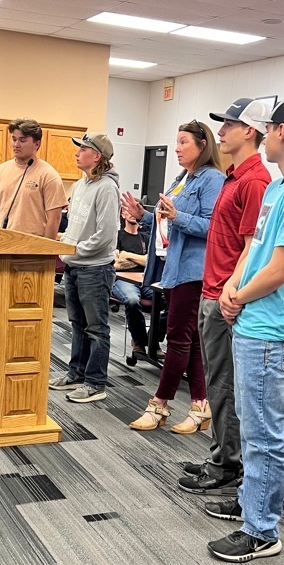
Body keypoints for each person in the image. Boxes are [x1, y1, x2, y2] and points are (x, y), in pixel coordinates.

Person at [206, 99, 284, 563]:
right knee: (254, 423)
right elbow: (253, 250)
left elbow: (280, 270)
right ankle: (249, 503)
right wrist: (232, 285)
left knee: (264, 434)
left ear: (280, 131)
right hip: (252, 319)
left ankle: (261, 530)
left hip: (270, 326)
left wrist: (237, 297)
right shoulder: (280, 187)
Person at [176, 98, 272, 495]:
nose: (221, 132)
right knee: (218, 383)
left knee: (225, 386)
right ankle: (221, 455)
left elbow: (251, 247)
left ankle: (226, 464)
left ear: (250, 131)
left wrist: (228, 292)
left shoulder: (255, 181)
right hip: (212, 289)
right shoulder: (235, 177)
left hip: (223, 297)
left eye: (229, 125)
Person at [123, 121, 225, 434]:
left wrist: (177, 216)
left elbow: (212, 227)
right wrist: (144, 216)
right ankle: (200, 406)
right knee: (190, 341)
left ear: (203, 145)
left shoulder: (212, 179)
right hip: (175, 267)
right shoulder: (182, 178)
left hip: (194, 271)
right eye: (176, 142)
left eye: (183, 142)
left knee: (178, 340)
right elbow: (168, 222)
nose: (177, 149)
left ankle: (159, 405)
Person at [49, 133, 120, 403]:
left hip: (94, 269)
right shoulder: (80, 186)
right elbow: (74, 227)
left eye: (83, 149)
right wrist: (66, 246)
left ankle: (95, 383)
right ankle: (76, 373)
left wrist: (72, 251)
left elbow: (105, 235)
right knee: (77, 325)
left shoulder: (106, 188)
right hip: (74, 267)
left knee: (96, 328)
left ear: (97, 156)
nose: (77, 153)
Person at [0, 118, 67, 238]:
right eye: (14, 139)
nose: (16, 145)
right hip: (1, 245)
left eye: (22, 140)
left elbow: (54, 219)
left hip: (32, 248)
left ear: (36, 144)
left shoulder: (49, 176)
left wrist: (44, 251)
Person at [110, 205, 152, 360]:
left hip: (145, 281)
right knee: (132, 300)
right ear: (122, 213)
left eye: (136, 210)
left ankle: (153, 338)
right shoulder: (117, 236)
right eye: (129, 210)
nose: (133, 214)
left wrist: (126, 255)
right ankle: (141, 342)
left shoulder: (146, 237)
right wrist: (140, 260)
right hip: (122, 281)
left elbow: (150, 262)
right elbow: (115, 264)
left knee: (172, 300)